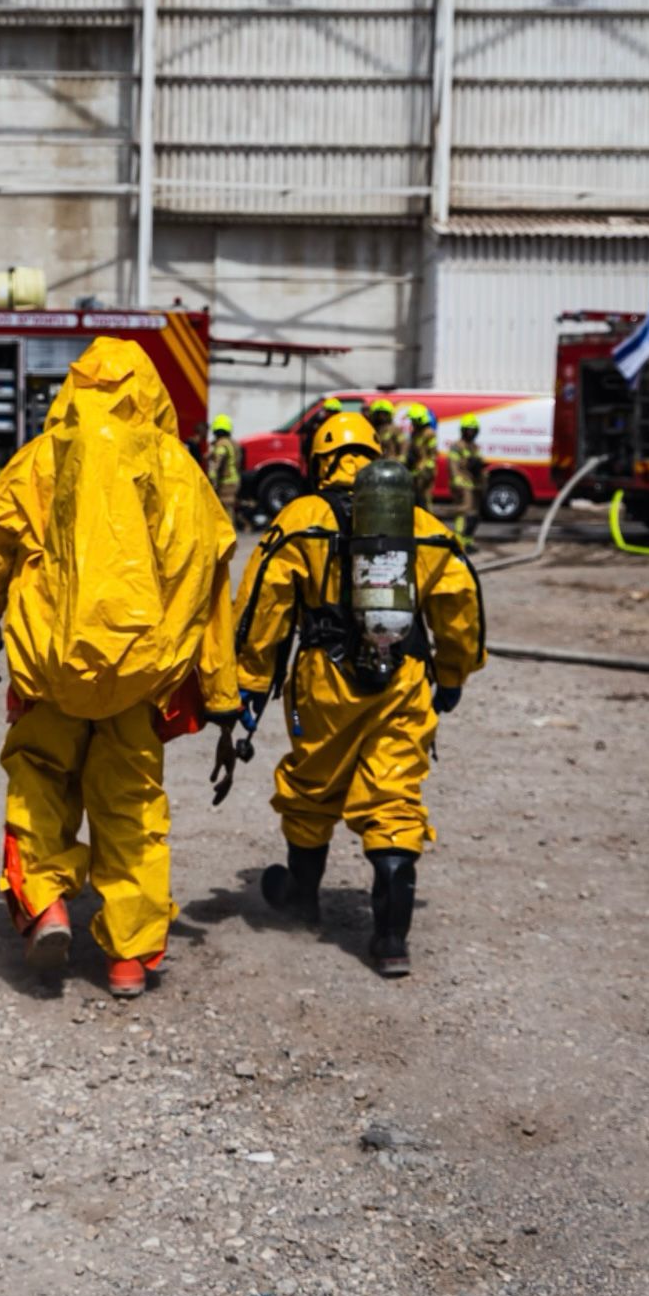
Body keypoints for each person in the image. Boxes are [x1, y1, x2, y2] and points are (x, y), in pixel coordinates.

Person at [0, 338, 240, 1000]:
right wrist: (221, 693)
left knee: (39, 783)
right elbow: (210, 585)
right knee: (132, 808)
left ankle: (47, 904)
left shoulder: (38, 460)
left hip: (49, 673)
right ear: (150, 394)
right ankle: (128, 959)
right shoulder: (180, 471)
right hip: (141, 679)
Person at [229, 410, 484, 976]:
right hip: (405, 677)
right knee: (394, 794)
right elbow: (461, 603)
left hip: (325, 678)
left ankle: (302, 899)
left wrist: (250, 681)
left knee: (312, 786)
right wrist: (452, 674)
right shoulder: (420, 523)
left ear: (319, 462)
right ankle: (391, 940)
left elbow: (262, 607)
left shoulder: (302, 518)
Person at [449, 414, 486, 547]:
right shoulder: (457, 446)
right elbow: (453, 465)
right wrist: (457, 481)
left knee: (474, 515)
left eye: (473, 430)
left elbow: (479, 464)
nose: (471, 433)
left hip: (475, 484)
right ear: (463, 430)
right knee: (463, 512)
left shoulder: (475, 447)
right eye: (468, 430)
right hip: (463, 484)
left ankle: (468, 541)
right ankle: (459, 542)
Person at [297, 395, 343, 486]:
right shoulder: (317, 423)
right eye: (329, 411)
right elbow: (303, 430)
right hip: (316, 457)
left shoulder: (340, 425)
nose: (331, 415)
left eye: (334, 412)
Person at [206, 413, 241, 525]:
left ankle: (227, 532)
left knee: (225, 511)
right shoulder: (233, 443)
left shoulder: (221, 444)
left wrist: (212, 481)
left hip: (226, 482)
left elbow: (216, 463)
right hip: (234, 480)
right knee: (229, 508)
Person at [405, 402, 438, 508]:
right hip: (415, 471)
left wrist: (425, 470)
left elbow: (431, 455)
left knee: (424, 500)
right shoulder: (415, 433)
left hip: (424, 472)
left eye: (413, 420)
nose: (412, 423)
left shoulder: (429, 433)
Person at [369, 397, 404, 461]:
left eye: (384, 414)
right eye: (378, 414)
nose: (381, 417)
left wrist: (400, 459)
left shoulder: (394, 430)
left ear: (389, 415)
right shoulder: (370, 430)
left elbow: (403, 446)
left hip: (390, 463)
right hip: (374, 463)